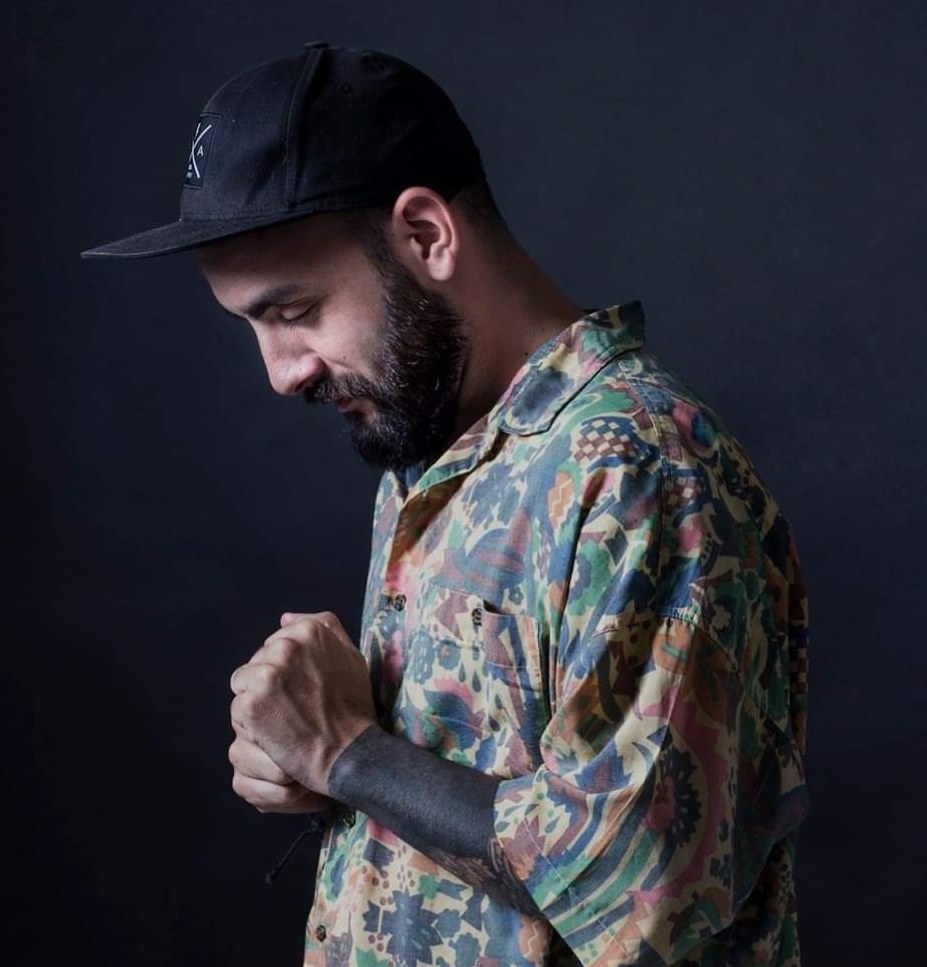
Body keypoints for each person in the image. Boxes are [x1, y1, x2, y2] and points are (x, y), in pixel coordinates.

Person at [82, 41, 810, 967]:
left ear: (425, 234)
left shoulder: (637, 467)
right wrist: (317, 761)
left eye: (294, 311)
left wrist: (348, 753)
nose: (280, 374)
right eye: (251, 325)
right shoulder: (430, 448)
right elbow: (458, 780)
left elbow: (644, 891)